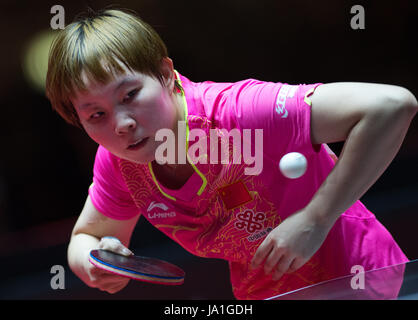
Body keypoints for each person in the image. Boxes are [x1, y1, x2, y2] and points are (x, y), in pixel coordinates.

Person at [45, 8, 417, 299]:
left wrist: (315, 219)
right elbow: (85, 238)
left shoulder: (242, 112)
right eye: (96, 115)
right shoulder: (119, 162)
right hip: (266, 293)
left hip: (363, 281)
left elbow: (391, 106)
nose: (121, 123)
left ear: (165, 74)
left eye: (129, 95)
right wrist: (95, 263)